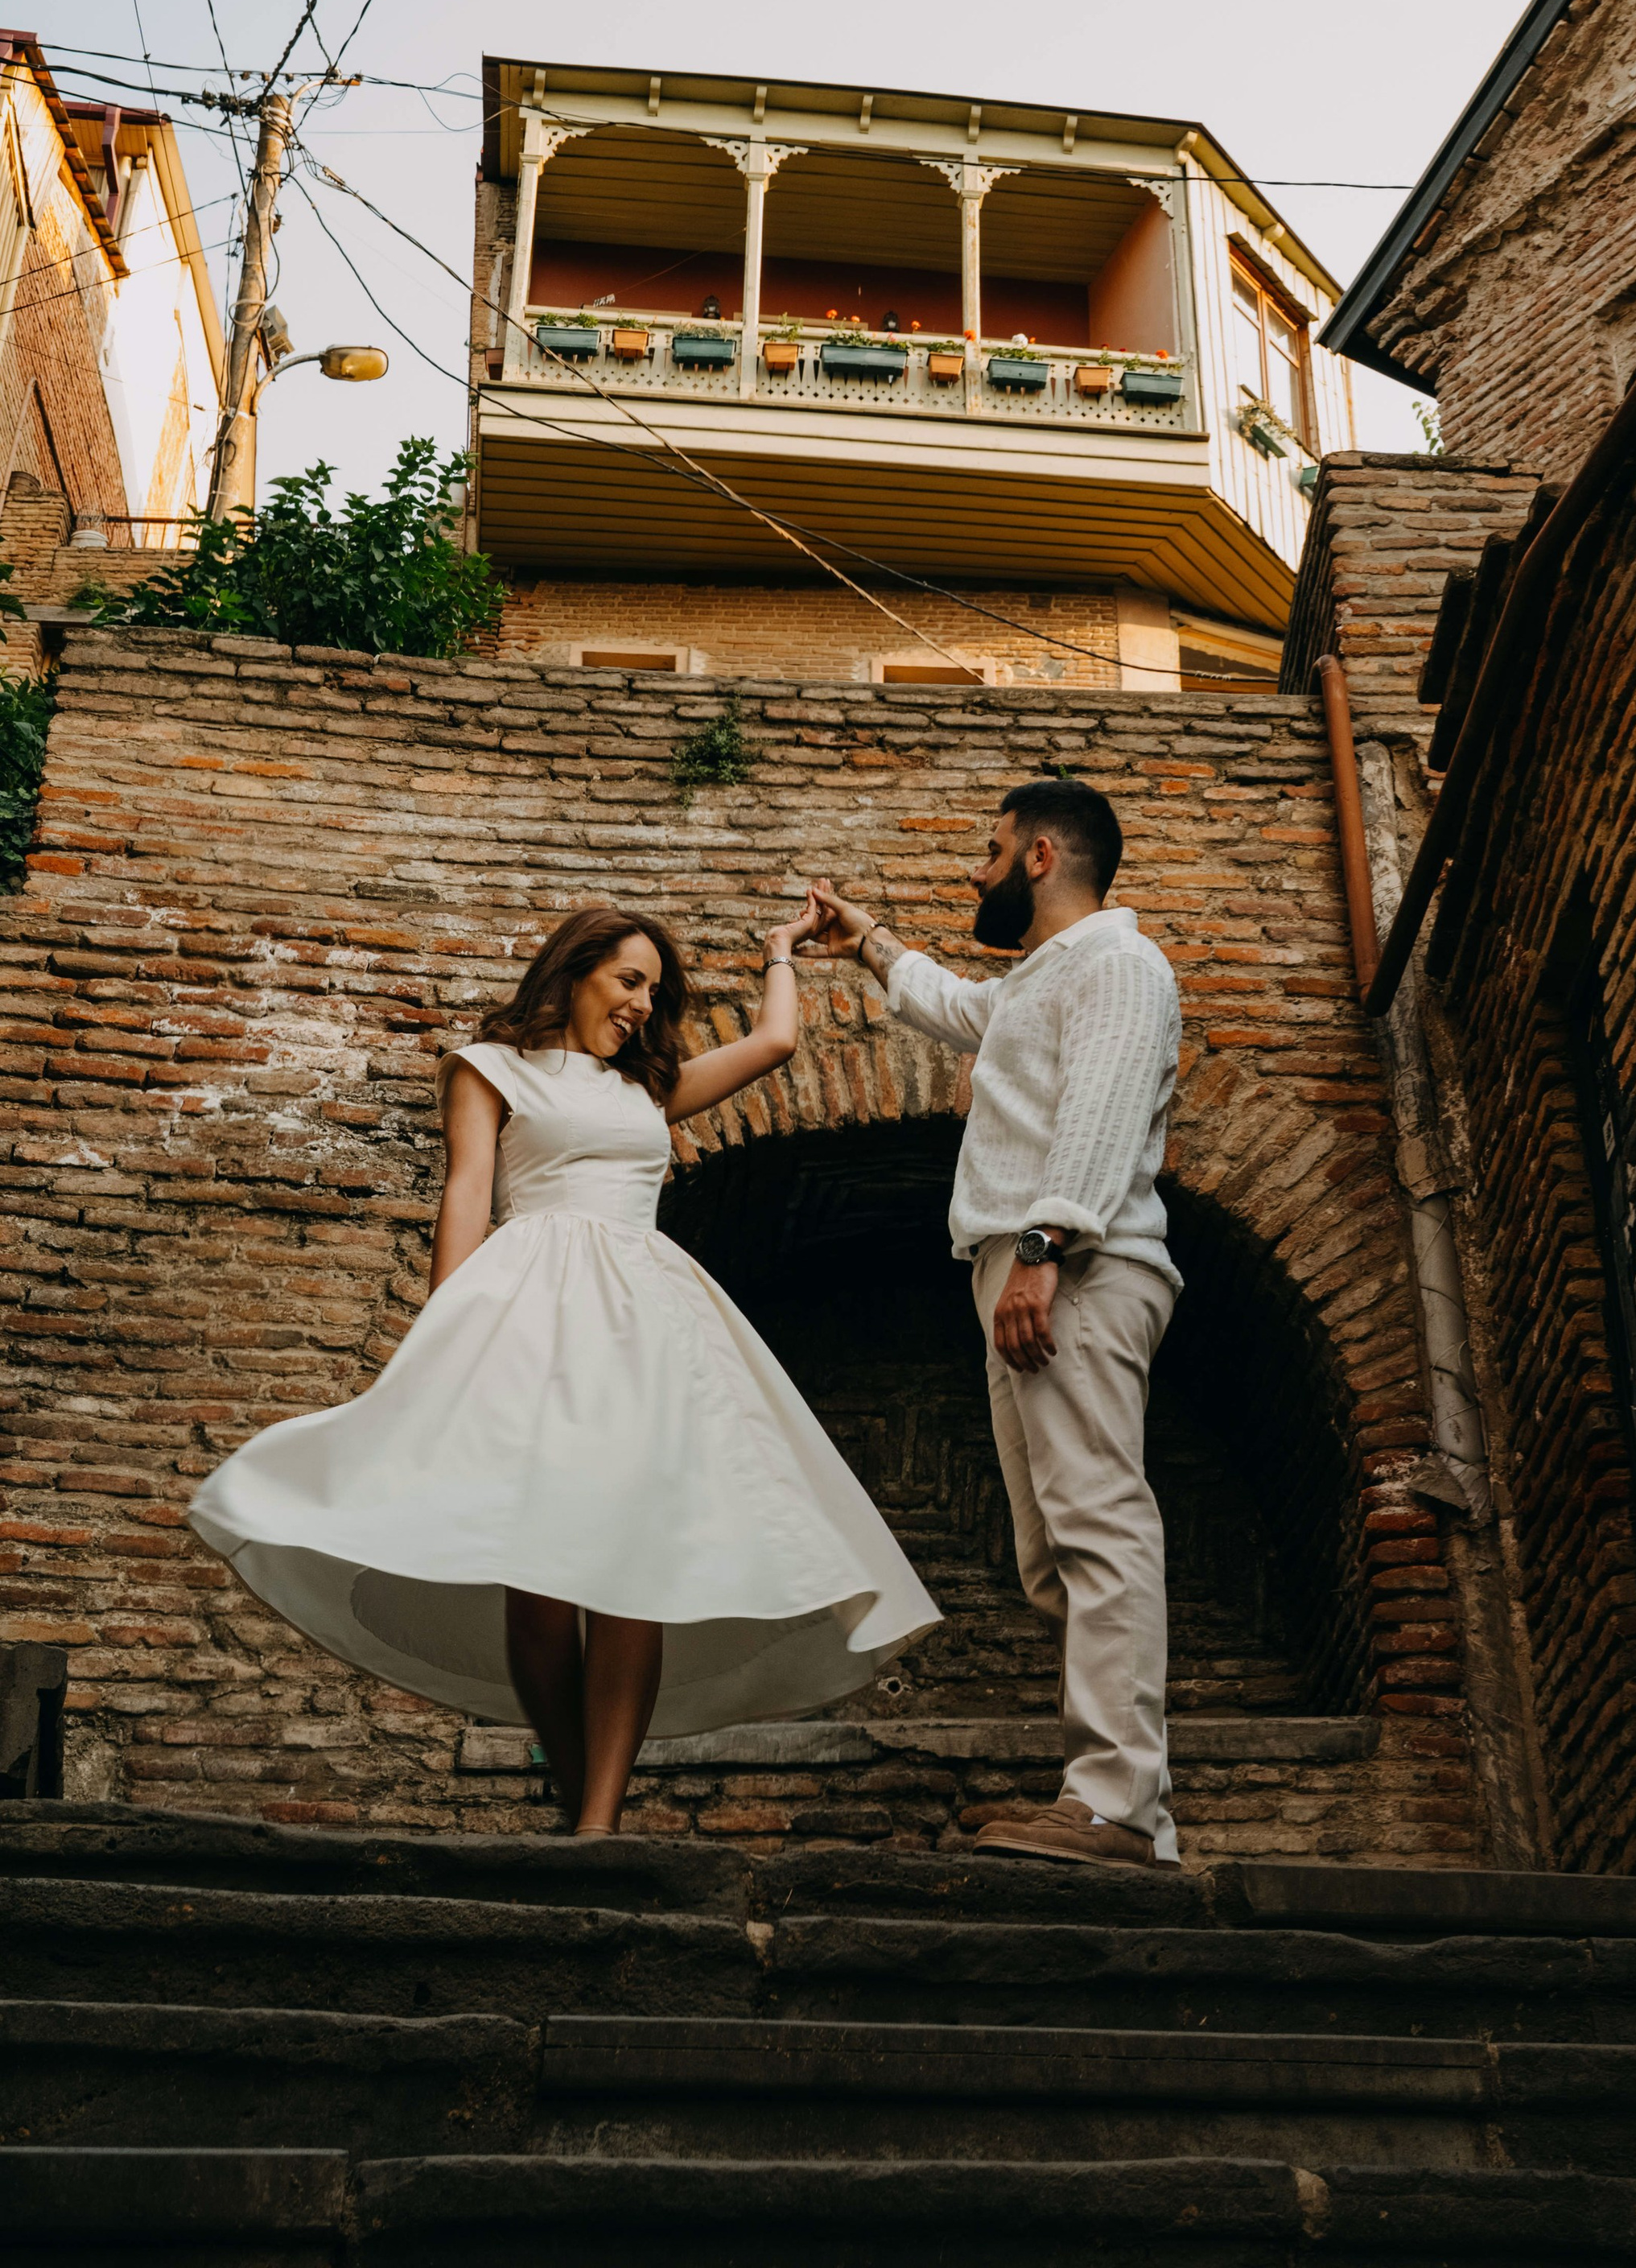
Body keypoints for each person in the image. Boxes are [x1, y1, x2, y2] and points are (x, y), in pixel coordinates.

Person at [189, 901, 939, 1835]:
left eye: (654, 991)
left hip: (647, 1326)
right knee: (539, 1587)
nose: (641, 1005)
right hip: (532, 1313)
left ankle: (598, 1824)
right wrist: (441, 1339)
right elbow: (466, 1195)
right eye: (629, 981)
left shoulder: (649, 1087)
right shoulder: (488, 1067)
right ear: (575, 971)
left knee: (633, 1573)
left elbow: (778, 1043)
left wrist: (781, 952)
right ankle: (578, 1793)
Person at [807, 778, 1184, 1869]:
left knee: (1099, 1523)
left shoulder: (1119, 962)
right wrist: (868, 939)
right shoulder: (1040, 980)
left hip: (1075, 1268)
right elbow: (955, 1002)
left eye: (989, 848)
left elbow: (1104, 1108)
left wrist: (1047, 1246)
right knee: (1051, 1553)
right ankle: (1119, 1802)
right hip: (1030, 1267)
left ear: (1040, 853)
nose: (973, 869)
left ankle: (1117, 1801)